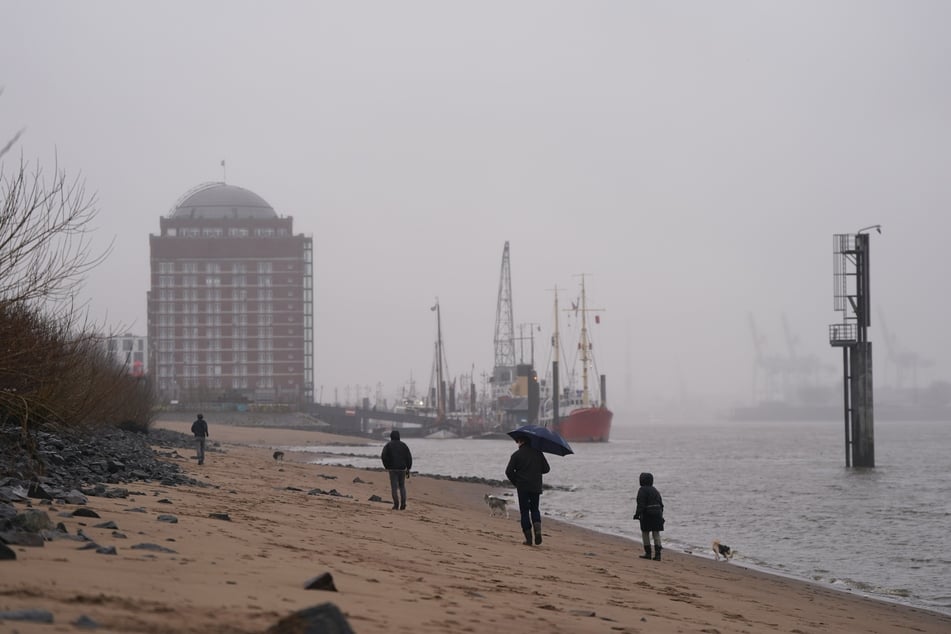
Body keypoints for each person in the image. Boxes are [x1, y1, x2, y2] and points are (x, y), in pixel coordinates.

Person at [505, 435, 550, 545]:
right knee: (535, 509)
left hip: (523, 487)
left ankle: (528, 539)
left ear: (521, 441)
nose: (517, 443)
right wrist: (535, 470)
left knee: (524, 511)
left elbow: (509, 471)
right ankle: (538, 530)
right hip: (535, 486)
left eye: (517, 441)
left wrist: (517, 481)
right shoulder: (538, 453)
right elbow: (546, 469)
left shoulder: (516, 455)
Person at [633, 471, 664, 560]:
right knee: (656, 533)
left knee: (645, 533)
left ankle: (648, 553)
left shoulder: (642, 490)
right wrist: (661, 515)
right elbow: (661, 504)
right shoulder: (655, 490)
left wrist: (637, 514)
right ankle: (658, 554)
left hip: (647, 515)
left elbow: (641, 504)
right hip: (657, 514)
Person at [381, 430, 412, 510]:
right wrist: (408, 468)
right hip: (402, 469)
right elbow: (408, 457)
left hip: (392, 469)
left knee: (394, 487)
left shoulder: (388, 445)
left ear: (391, 436)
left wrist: (387, 466)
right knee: (402, 486)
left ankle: (396, 504)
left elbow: (383, 456)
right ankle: (403, 504)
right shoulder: (403, 445)